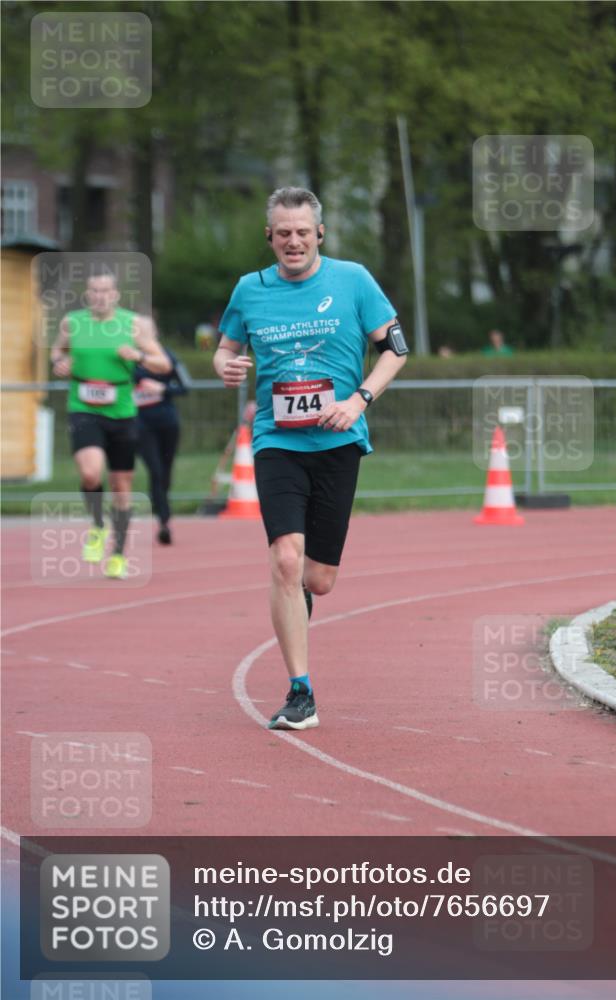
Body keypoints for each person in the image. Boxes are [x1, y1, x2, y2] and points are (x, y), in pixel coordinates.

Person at [214, 186, 408, 730]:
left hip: (338, 441)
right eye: (283, 233)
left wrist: (358, 399)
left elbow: (396, 348)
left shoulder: (353, 280)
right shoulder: (250, 290)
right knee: (284, 558)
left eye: (303, 232)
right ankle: (301, 691)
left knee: (317, 580)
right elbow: (227, 348)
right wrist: (223, 365)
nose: (293, 241)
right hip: (276, 440)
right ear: (269, 237)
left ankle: (298, 603)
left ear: (319, 233)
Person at [50, 272, 170, 578]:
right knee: (90, 473)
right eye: (94, 290)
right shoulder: (72, 322)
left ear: (116, 295)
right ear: (87, 294)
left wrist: (138, 356)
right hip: (83, 406)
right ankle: (97, 525)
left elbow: (163, 364)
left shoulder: (133, 325)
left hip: (122, 412)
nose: (100, 296)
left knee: (121, 486)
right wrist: (58, 363)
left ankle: (117, 554)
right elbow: (57, 350)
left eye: (106, 291)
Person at [133, 342, 190, 544]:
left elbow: (185, 386)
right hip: (139, 423)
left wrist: (162, 388)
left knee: (165, 472)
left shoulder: (167, 355)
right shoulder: (127, 355)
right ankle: (164, 522)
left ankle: (160, 507)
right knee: (155, 471)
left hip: (167, 422)